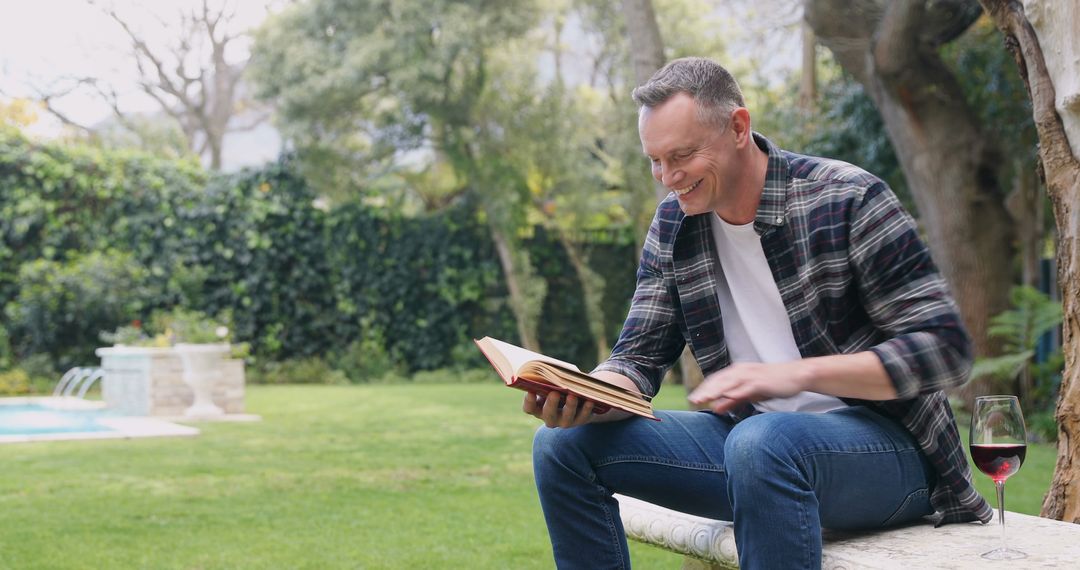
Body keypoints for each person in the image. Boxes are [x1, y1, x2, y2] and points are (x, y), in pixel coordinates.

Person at [523, 57, 992, 570]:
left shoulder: (847, 198)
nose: (668, 178)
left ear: (739, 127)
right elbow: (637, 356)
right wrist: (589, 394)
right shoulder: (675, 224)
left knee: (762, 442)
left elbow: (944, 350)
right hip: (752, 449)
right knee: (560, 445)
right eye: (654, 161)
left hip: (889, 458)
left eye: (681, 155)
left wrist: (792, 376)